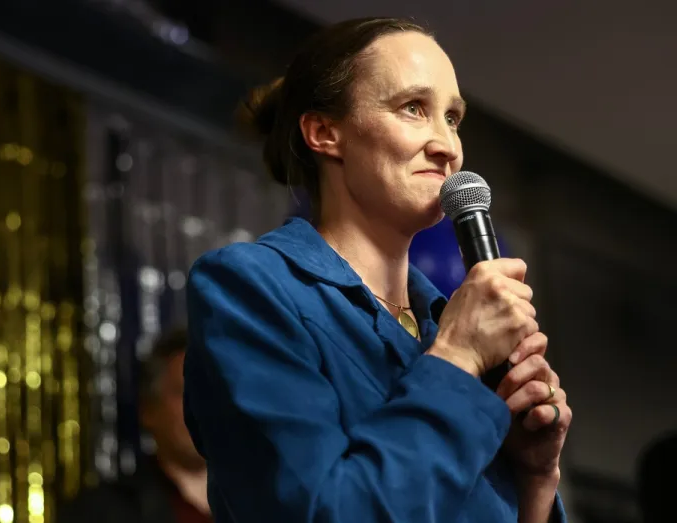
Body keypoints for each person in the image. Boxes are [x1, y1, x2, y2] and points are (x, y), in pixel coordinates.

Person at [184, 17, 572, 523]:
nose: (447, 146)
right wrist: (457, 358)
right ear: (325, 133)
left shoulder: (444, 322)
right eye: (414, 109)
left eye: (452, 119)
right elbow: (327, 513)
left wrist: (536, 480)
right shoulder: (251, 288)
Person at [57, 328, 211, 523]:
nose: (200, 408)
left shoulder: (255, 501)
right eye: (183, 393)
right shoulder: (99, 512)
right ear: (149, 409)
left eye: (210, 394)